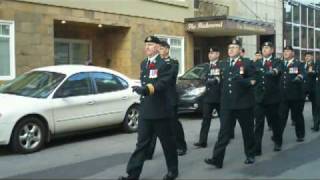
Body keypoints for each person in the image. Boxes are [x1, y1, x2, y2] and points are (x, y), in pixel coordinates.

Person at [119, 36, 178, 180]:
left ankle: (172, 171)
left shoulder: (165, 65)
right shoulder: (144, 63)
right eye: (146, 45)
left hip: (160, 111)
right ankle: (132, 175)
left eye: (150, 45)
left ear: (158, 47)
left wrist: (146, 89)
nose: (147, 47)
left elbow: (163, 83)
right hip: (146, 111)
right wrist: (141, 90)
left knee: (167, 144)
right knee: (141, 145)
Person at [204, 39, 257, 168]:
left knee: (247, 131)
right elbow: (218, 78)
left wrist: (242, 81)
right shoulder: (223, 64)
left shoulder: (247, 63)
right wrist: (213, 81)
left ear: (239, 50)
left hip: (243, 104)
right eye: (229, 48)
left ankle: (250, 154)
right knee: (223, 133)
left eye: (234, 47)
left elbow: (254, 80)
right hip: (227, 105)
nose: (231, 50)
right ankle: (217, 159)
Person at [146, 40, 187, 157]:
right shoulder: (154, 62)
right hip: (157, 98)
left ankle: (181, 146)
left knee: (174, 124)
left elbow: (170, 76)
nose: (160, 51)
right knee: (153, 125)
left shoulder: (173, 63)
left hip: (169, 98)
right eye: (159, 49)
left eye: (162, 49)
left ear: (168, 49)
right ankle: (149, 151)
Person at [252, 42, 283, 155]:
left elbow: (278, 70)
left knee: (275, 122)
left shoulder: (277, 61)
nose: (264, 50)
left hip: (273, 98)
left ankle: (278, 141)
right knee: (258, 124)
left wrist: (274, 71)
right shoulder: (257, 63)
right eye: (263, 48)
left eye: (267, 48)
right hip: (259, 98)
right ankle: (257, 148)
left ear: (272, 50)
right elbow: (252, 76)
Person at [194, 47, 222, 148]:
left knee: (224, 120)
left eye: (213, 53)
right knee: (206, 120)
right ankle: (202, 141)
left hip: (219, 98)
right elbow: (202, 79)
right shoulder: (206, 67)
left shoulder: (222, 65)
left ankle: (224, 138)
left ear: (217, 54)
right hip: (208, 98)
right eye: (209, 53)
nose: (210, 55)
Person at [279, 46, 306, 145]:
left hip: (295, 96)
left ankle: (300, 135)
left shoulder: (298, 63)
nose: (285, 52)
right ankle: (278, 138)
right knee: (281, 117)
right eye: (284, 51)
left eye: (288, 51)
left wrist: (300, 76)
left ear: (293, 53)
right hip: (283, 96)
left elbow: (303, 73)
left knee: (297, 116)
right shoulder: (280, 64)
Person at [302, 52, 317, 131]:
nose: (307, 57)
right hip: (303, 88)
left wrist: (313, 72)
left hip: (312, 88)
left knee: (315, 106)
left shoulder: (315, 65)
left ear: (312, 57)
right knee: (299, 104)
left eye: (309, 56)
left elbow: (316, 73)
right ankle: (296, 119)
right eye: (306, 56)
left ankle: (316, 123)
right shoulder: (302, 65)